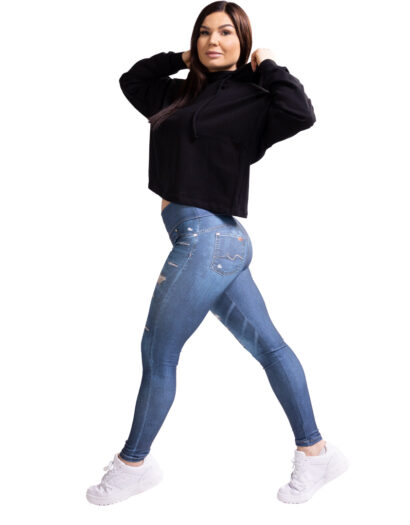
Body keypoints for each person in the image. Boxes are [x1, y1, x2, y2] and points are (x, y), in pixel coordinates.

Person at [86, 2, 349, 506]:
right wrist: (181, 58)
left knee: (159, 354)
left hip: (208, 240)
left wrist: (267, 63)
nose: (214, 41)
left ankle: (133, 464)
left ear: (242, 40)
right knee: (270, 348)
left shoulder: (256, 98)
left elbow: (301, 112)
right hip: (212, 243)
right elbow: (132, 80)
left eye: (227, 32)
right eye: (205, 32)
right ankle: (316, 452)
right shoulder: (177, 93)